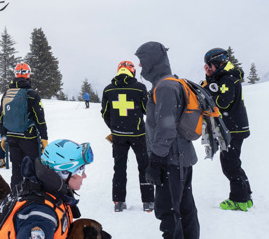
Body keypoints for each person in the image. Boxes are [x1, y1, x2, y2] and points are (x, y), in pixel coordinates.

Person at [135, 42, 199, 239]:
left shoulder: (165, 87)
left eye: (141, 61)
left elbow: (166, 126)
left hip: (171, 161)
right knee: (184, 208)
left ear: (151, 61)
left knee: (169, 212)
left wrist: (156, 160)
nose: (139, 66)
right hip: (179, 159)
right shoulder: (169, 83)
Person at [0, 139, 96, 239]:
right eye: (80, 170)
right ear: (64, 173)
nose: (84, 175)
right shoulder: (40, 216)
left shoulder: (47, 190)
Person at [101, 61, 154, 212]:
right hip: (139, 135)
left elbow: (105, 113)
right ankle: (148, 202)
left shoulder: (108, 89)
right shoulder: (139, 88)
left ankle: (118, 202)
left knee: (119, 168)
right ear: (132, 72)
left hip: (118, 136)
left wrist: (114, 127)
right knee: (144, 167)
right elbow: (147, 110)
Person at [203, 48, 252, 211]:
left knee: (229, 164)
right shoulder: (227, 76)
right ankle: (246, 195)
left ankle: (239, 199)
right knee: (234, 162)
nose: (209, 68)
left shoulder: (228, 79)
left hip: (233, 128)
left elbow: (222, 102)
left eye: (210, 65)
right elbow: (217, 91)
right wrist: (210, 78)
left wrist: (209, 89)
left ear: (217, 63)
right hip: (236, 126)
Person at [0, 62, 48, 189]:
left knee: (17, 168)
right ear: (28, 75)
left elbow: (1, 117)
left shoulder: (7, 93)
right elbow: (39, 118)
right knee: (33, 167)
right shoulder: (32, 94)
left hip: (11, 136)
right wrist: (44, 138)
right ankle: (33, 195)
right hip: (28, 137)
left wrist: (3, 137)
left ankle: (15, 195)